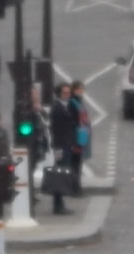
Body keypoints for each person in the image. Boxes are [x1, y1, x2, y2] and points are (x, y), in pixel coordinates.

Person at [47, 84, 80, 215]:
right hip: (61, 145)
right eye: (65, 93)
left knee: (62, 172)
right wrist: (59, 147)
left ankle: (60, 203)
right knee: (60, 173)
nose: (67, 95)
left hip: (65, 143)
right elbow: (56, 128)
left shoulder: (66, 106)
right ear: (59, 94)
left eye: (68, 92)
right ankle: (58, 204)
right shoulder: (57, 108)